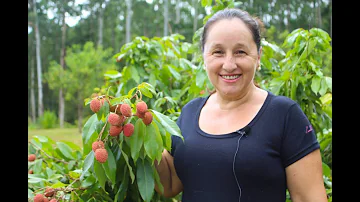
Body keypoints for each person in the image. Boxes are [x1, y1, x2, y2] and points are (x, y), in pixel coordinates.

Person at [154, 8, 328, 202]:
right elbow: (169, 184)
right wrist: (140, 130)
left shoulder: (284, 115)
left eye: (240, 52)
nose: (229, 64)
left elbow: (309, 197)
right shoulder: (190, 112)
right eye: (218, 52)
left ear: (258, 56)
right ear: (204, 57)